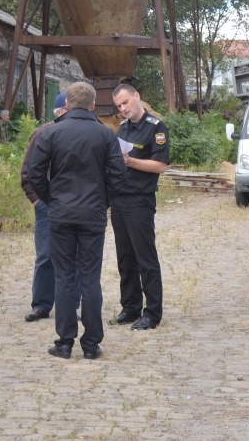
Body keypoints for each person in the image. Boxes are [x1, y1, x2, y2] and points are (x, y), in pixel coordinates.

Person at [28, 82, 125, 360]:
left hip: (61, 214)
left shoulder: (52, 132)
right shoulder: (107, 135)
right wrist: (102, 201)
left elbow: (35, 173)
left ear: (67, 104)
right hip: (92, 214)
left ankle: (65, 342)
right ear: (93, 105)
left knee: (64, 276)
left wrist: (52, 199)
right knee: (90, 277)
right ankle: (92, 344)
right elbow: (118, 176)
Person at [109, 83, 169, 330]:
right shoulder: (123, 129)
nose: (123, 108)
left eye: (125, 102)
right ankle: (130, 307)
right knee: (125, 258)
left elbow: (160, 166)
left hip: (140, 200)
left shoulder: (156, 128)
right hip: (119, 199)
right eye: (119, 106)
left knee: (145, 258)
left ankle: (152, 313)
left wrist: (130, 161)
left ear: (137, 96)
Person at [20, 92, 82, 323]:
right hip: (47, 204)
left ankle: (72, 304)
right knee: (46, 255)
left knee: (75, 255)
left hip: (74, 203)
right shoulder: (42, 134)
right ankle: (42, 305)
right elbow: (27, 172)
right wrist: (37, 200)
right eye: (66, 112)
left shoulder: (83, 133)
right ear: (59, 112)